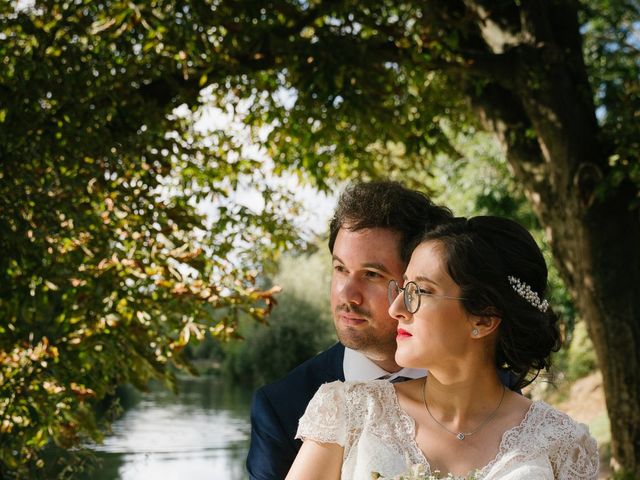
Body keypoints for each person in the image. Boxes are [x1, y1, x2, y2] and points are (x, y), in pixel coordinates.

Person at [287, 216, 599, 479]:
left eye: (420, 291)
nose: (396, 308)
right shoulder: (348, 412)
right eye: (403, 287)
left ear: (485, 318)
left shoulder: (562, 444)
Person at [246, 182, 516, 480]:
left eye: (372, 275)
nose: (347, 294)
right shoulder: (283, 405)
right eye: (340, 269)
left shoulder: (504, 393)